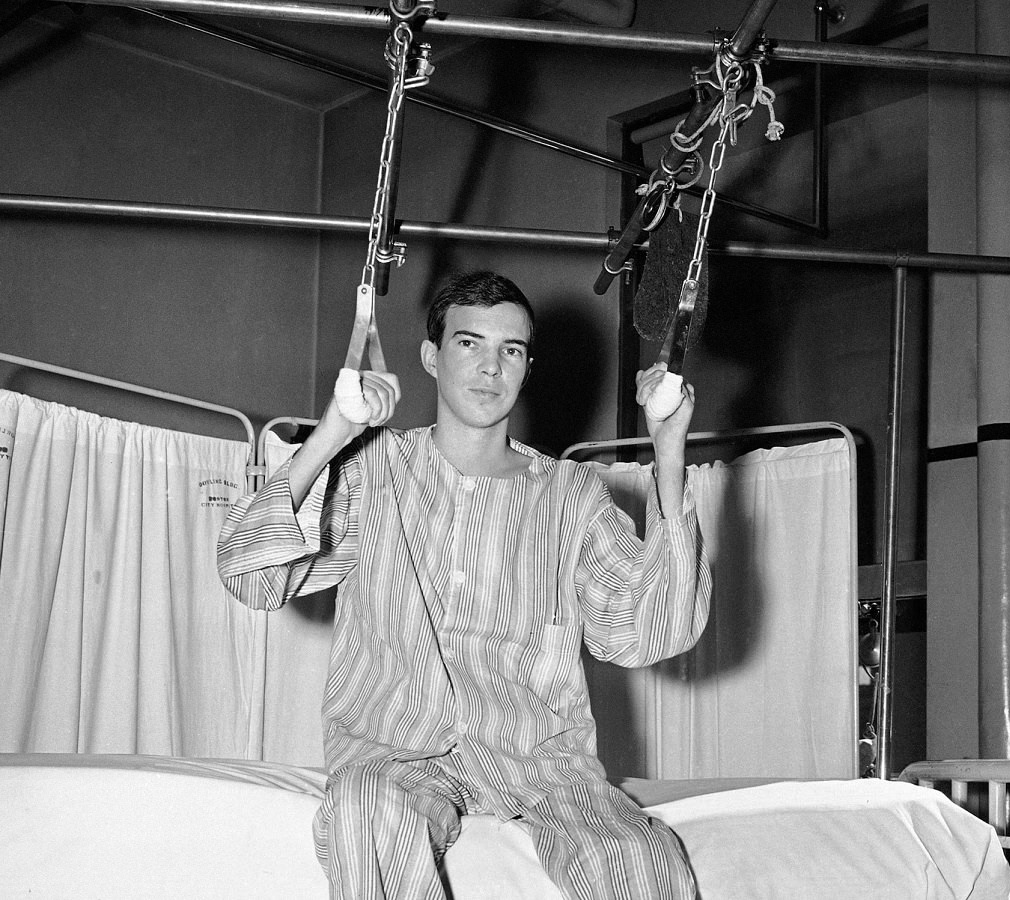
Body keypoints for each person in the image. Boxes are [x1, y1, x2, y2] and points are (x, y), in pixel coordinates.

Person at [217, 270, 711, 900]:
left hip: (541, 763)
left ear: (527, 368)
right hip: (397, 753)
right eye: (468, 344)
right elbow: (249, 573)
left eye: (511, 350)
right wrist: (335, 431)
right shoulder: (376, 473)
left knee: (637, 861)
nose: (490, 368)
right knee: (367, 811)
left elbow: (653, 630)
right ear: (431, 357)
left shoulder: (570, 495)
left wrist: (669, 452)